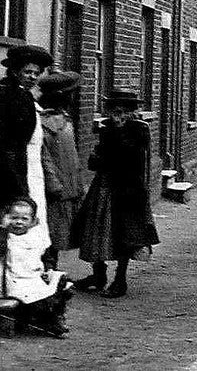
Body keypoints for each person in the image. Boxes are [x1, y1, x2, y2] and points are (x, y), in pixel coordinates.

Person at [71, 91, 160, 299]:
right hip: (104, 186)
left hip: (128, 190)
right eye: (113, 112)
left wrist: (106, 156)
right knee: (94, 230)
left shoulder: (139, 131)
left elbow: (126, 160)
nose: (116, 117)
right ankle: (98, 275)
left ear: (131, 113)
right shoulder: (107, 131)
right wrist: (103, 157)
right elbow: (94, 162)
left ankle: (120, 280)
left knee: (124, 234)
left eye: (122, 113)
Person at [0, 45, 54, 243]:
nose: (32, 77)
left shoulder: (20, 95)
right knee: (18, 214)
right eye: (27, 72)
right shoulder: (12, 98)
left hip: (27, 162)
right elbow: (7, 142)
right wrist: (17, 182)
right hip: (12, 166)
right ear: (16, 71)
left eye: (36, 73)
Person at [0, 196, 72, 337]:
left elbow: (45, 256)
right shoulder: (2, 236)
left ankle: (52, 318)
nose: (18, 222)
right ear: (7, 218)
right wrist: (2, 228)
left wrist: (48, 269)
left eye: (24, 219)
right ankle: (43, 319)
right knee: (39, 297)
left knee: (61, 283)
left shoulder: (35, 238)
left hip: (29, 278)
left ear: (33, 222)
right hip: (7, 282)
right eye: (14, 218)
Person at [37, 72, 84, 271]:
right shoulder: (45, 122)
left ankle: (52, 271)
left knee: (61, 234)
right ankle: (48, 272)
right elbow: (44, 156)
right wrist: (54, 184)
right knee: (51, 234)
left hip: (69, 187)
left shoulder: (64, 118)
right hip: (54, 190)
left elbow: (71, 155)